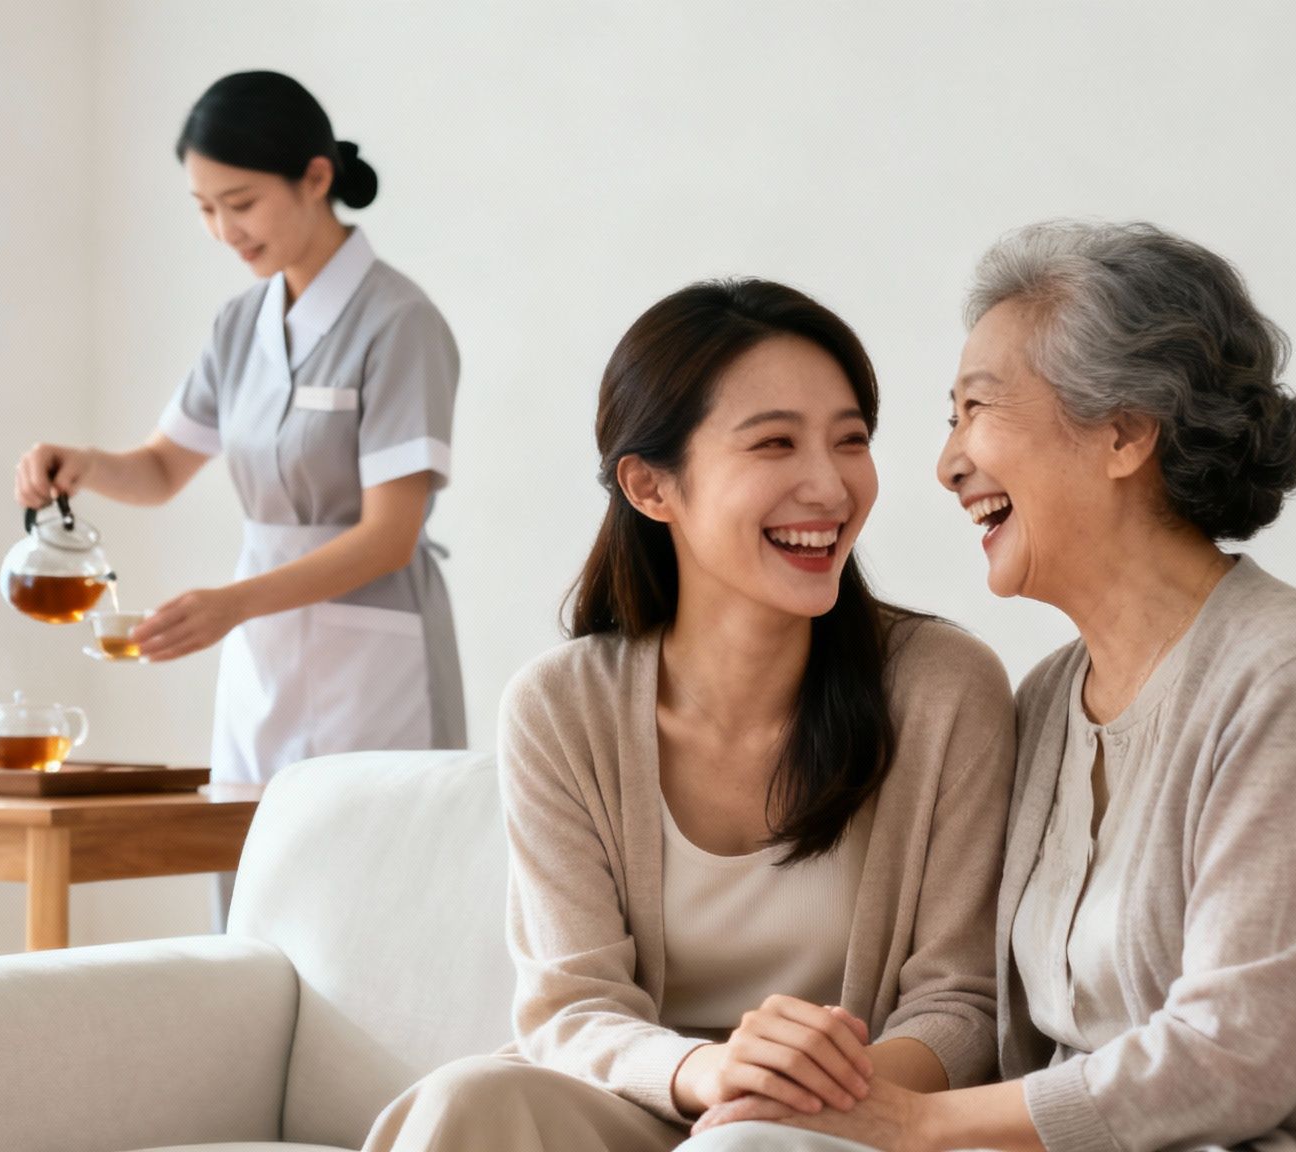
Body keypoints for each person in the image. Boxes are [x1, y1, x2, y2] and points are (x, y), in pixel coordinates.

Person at [690, 221, 1296, 1151]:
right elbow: (1024, 1049)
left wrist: (913, 1122)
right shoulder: (1047, 702)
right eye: (950, 418)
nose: (948, 462)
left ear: (1122, 432)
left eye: (977, 409)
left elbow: (1232, 1058)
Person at [364, 279, 1015, 1151]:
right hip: (650, 1102)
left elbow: (961, 1001)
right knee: (467, 1101)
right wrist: (706, 1075)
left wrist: (802, 1098)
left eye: (850, 439)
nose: (829, 485)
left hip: (848, 1122)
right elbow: (573, 1003)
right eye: (775, 443)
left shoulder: (943, 687)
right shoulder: (562, 708)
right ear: (650, 486)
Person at [14, 72, 465, 808]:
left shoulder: (398, 322)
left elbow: (390, 536)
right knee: (251, 880)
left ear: (316, 178)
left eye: (242, 203)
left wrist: (232, 605)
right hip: (263, 654)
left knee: (375, 880)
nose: (226, 231)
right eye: (205, 209)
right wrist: (86, 465)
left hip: (372, 661)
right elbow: (161, 469)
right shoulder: (240, 324)